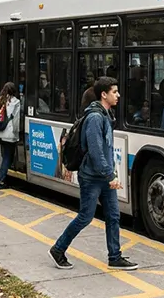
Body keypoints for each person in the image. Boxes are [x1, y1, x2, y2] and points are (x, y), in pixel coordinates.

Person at [49, 77, 138, 271]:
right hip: (91, 177)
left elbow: (105, 149)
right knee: (85, 217)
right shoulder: (95, 118)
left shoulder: (106, 115)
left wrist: (111, 173)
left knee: (113, 216)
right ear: (103, 95)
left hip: (103, 176)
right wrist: (110, 176)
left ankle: (115, 256)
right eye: (114, 92)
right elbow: (96, 151)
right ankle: (58, 249)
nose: (118, 95)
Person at [0, 82, 21, 190]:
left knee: (5, 156)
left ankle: (2, 178)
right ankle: (1, 181)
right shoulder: (15, 102)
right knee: (8, 157)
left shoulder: (0, 100)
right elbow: (16, 121)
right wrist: (17, 133)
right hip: (9, 133)